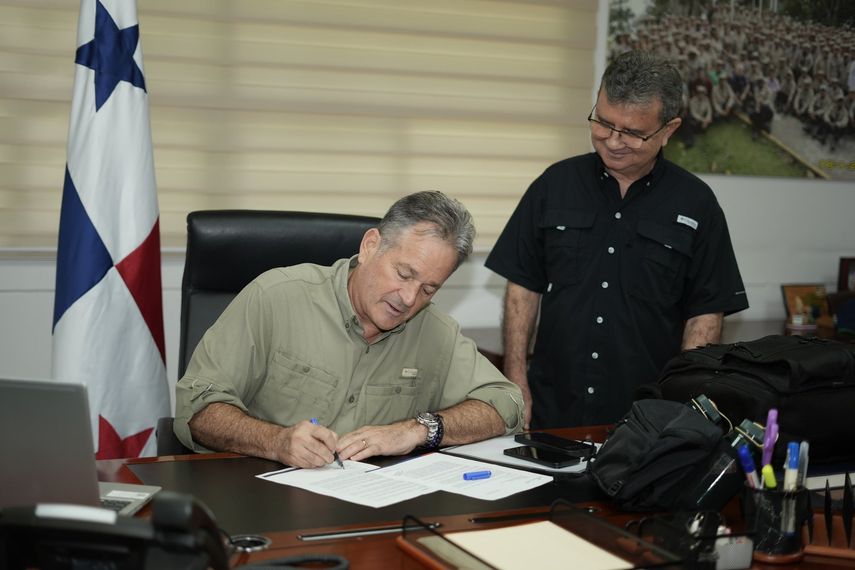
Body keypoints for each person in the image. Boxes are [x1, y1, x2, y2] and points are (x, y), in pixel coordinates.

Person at [485, 51, 748, 430]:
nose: (613, 140)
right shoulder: (554, 185)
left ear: (669, 129)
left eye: (633, 132)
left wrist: (681, 407)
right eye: (603, 123)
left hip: (646, 417)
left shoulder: (697, 205)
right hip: (552, 407)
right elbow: (522, 287)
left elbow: (705, 315)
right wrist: (515, 381)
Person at [174, 191, 524, 468]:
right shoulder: (276, 297)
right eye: (404, 274)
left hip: (368, 507)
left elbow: (507, 403)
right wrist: (276, 442)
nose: (408, 298)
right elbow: (199, 409)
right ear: (370, 245)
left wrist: (417, 430)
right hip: (256, 491)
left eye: (429, 289)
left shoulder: (435, 332)